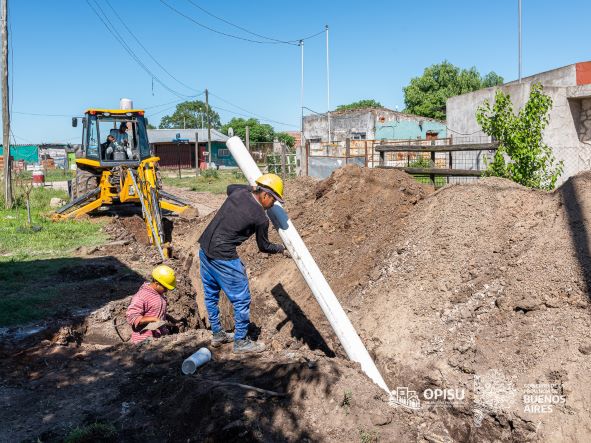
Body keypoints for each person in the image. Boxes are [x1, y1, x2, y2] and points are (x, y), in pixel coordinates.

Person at [198, 173, 288, 354]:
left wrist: (253, 187)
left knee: (211, 294)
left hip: (204, 248)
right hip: (223, 256)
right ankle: (241, 342)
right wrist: (282, 249)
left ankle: (217, 334)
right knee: (242, 299)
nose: (273, 205)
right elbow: (264, 246)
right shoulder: (261, 218)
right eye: (274, 200)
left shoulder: (238, 193)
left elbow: (229, 187)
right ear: (265, 195)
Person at [126, 265, 177, 344]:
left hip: (158, 337)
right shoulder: (142, 296)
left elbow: (156, 311)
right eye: (165, 287)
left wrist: (171, 319)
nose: (166, 290)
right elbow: (132, 317)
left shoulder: (158, 293)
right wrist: (153, 319)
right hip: (144, 339)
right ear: (157, 283)